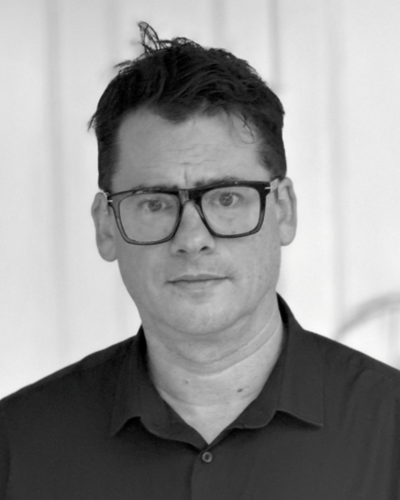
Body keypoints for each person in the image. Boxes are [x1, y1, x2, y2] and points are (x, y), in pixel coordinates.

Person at [1, 22, 399, 499]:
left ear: (283, 211)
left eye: (226, 198)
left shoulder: (390, 431)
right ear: (106, 226)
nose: (192, 239)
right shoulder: (16, 447)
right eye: (155, 203)